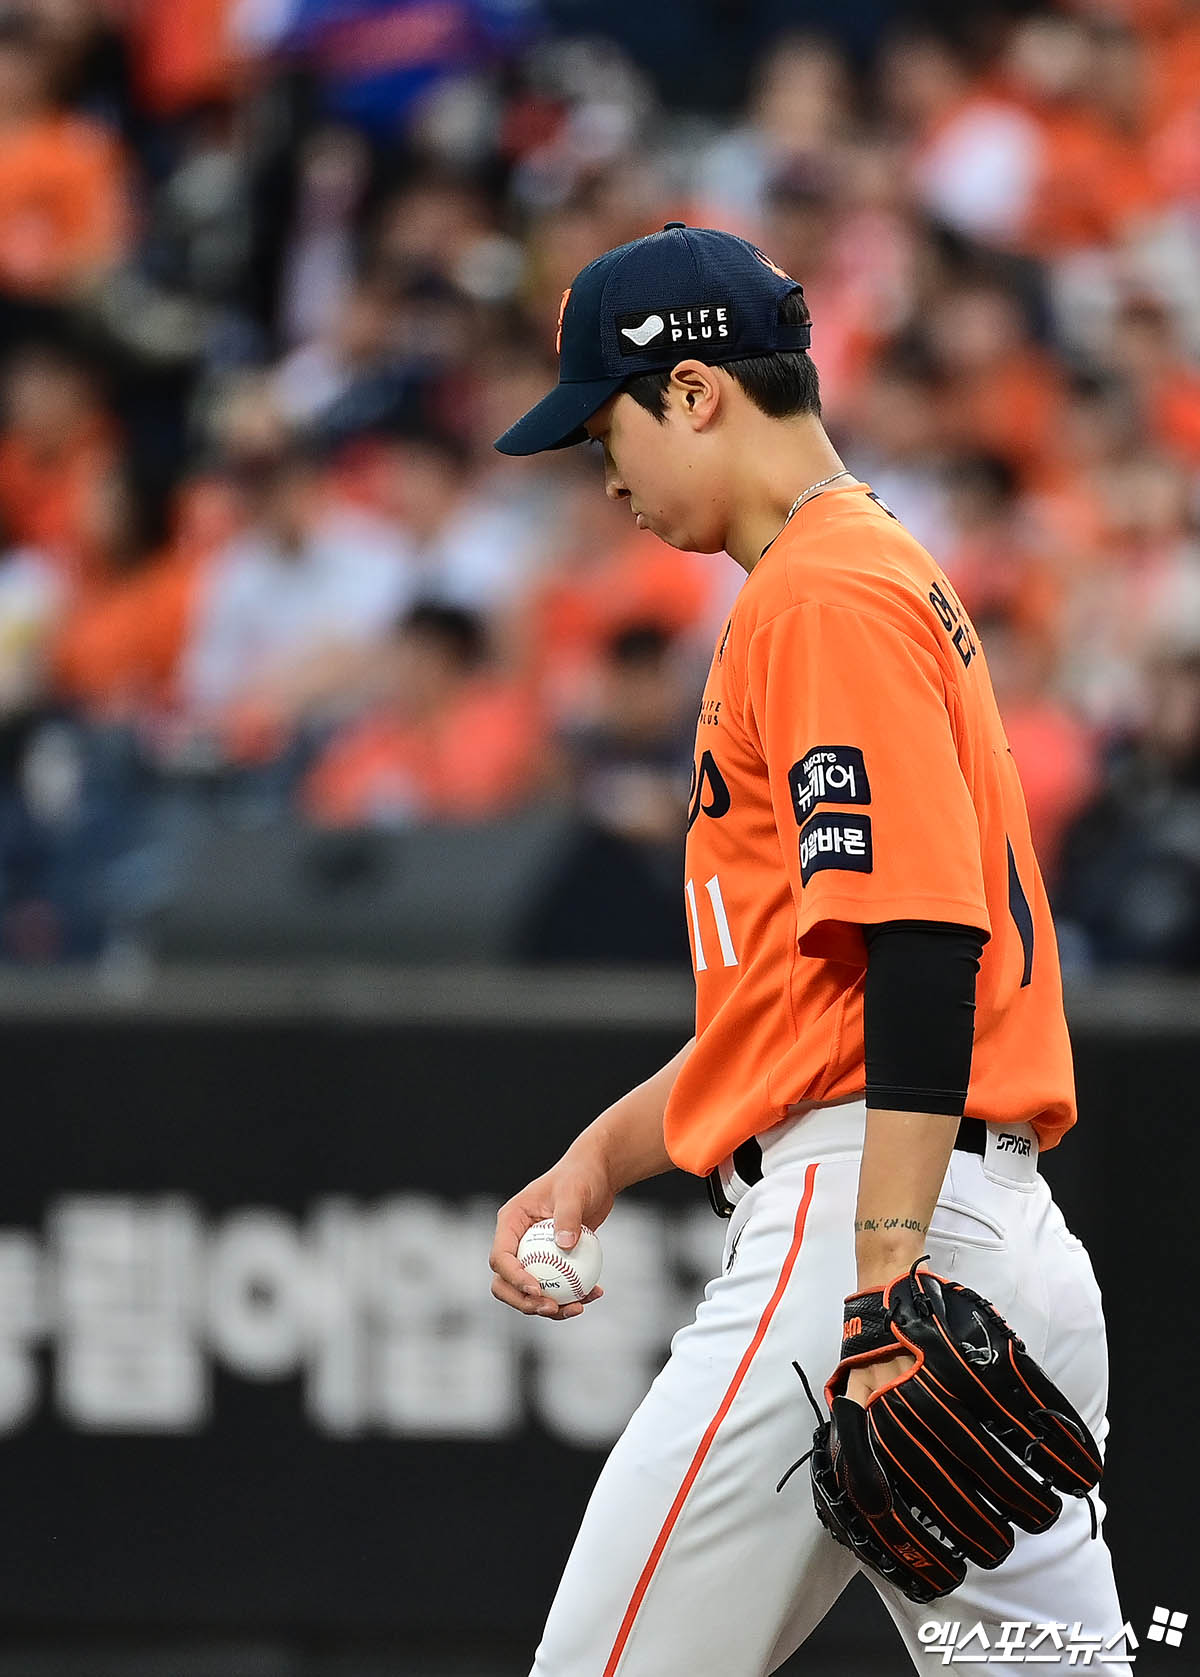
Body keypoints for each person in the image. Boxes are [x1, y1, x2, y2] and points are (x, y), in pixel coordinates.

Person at [487, 223, 1131, 1676]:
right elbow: (803, 1008)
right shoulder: (865, 572)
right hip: (988, 1225)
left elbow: (922, 940)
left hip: (868, 1227)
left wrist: (887, 1278)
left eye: (612, 425)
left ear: (697, 392)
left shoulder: (824, 588)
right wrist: (598, 1157)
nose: (609, 475)